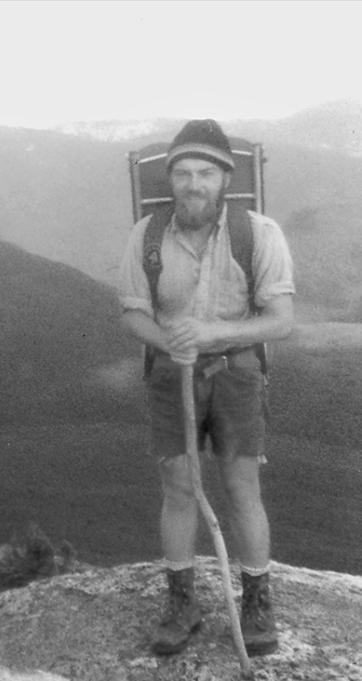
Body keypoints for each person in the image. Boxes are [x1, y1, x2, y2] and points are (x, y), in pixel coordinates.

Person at [118, 120, 294, 657]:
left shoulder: (259, 233)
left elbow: (281, 319)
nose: (194, 184)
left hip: (237, 372)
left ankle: (257, 601)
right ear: (170, 180)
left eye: (206, 173)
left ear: (224, 178)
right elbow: (133, 313)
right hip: (173, 374)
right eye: (184, 173)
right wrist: (171, 345)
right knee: (178, 486)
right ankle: (182, 602)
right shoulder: (147, 236)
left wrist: (216, 333)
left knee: (242, 488)